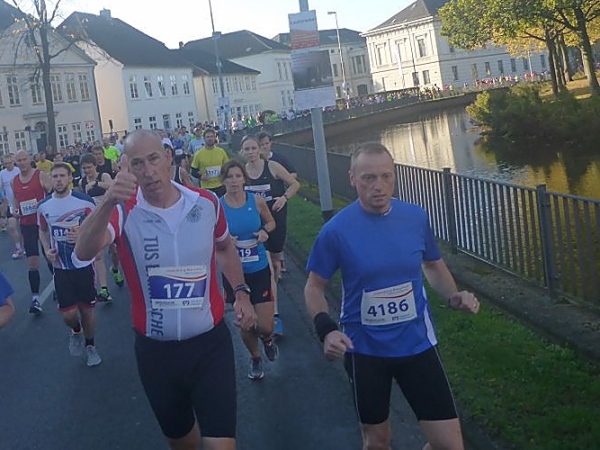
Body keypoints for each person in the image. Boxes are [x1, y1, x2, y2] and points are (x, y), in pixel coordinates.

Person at [74, 129, 257, 450]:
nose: (148, 171)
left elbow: (225, 247)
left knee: (220, 444)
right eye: (138, 164)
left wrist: (241, 292)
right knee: (182, 442)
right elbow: (84, 251)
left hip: (209, 345)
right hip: (157, 354)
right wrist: (108, 201)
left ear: (169, 158)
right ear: (127, 168)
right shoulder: (123, 210)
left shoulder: (205, 202)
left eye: (154, 159)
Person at [304, 142, 480, 450]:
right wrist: (326, 329)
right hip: (366, 351)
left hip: (417, 344)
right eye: (368, 178)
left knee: (450, 445)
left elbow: (432, 264)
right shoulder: (336, 231)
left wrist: (453, 296)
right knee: (377, 442)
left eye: (386, 176)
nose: (379, 186)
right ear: (352, 179)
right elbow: (314, 286)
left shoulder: (415, 217)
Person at [220, 160, 279, 380]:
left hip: (259, 268)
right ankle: (255, 357)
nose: (234, 181)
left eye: (238, 176)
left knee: (265, 325)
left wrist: (264, 232)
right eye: (229, 177)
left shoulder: (256, 201)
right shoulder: (218, 206)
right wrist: (225, 240)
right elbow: (211, 236)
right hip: (234, 274)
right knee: (246, 324)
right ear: (223, 180)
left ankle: (267, 339)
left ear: (244, 179)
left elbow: (271, 222)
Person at [37, 163, 101, 366]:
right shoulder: (44, 206)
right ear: (50, 179)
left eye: (62, 176)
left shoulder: (84, 202)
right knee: (69, 315)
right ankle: (75, 330)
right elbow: (43, 231)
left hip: (83, 264)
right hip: (61, 268)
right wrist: (46, 249)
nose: (58, 180)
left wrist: (83, 235)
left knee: (87, 311)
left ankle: (91, 346)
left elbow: (98, 228)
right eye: (55, 176)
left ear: (70, 178)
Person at [242, 135, 299, 337]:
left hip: (276, 222)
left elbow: (294, 184)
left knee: (274, 264)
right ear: (242, 152)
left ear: (260, 150)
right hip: (258, 228)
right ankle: (274, 315)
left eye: (253, 148)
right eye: (247, 149)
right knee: (266, 268)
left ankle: (271, 292)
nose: (250, 152)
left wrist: (284, 198)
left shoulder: (272, 167)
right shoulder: (243, 173)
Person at [12, 150, 53, 314]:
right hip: (27, 225)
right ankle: (35, 299)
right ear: (16, 163)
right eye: (19, 160)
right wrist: (15, 210)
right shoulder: (15, 180)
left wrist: (44, 206)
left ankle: (59, 283)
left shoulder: (40, 175)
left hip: (42, 223)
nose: (22, 163)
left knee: (49, 256)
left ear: (29, 159)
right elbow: (16, 199)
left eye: (24, 159)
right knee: (32, 262)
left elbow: (52, 193)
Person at [257, 131, 297, 276]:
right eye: (261, 145)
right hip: (259, 212)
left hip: (276, 206)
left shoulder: (277, 160)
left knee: (278, 236)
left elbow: (293, 175)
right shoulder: (250, 167)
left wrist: (280, 177)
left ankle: (279, 260)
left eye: (266, 144)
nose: (264, 147)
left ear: (270, 143)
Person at [79, 153, 115, 302]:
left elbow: (113, 187)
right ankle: (104, 289)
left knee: (114, 250)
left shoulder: (103, 176)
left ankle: (116, 269)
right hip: (95, 220)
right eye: (84, 168)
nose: (87, 171)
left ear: (95, 166)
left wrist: (96, 184)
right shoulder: (82, 182)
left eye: (89, 167)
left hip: (110, 217)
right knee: (98, 255)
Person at [92, 143, 125, 289]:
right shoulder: (92, 169)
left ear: (103, 153)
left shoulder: (110, 164)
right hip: (100, 209)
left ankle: (115, 268)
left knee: (116, 249)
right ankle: (104, 285)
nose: (98, 156)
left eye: (99, 154)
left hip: (114, 203)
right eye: (95, 154)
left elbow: (119, 175)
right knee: (108, 248)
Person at [190, 128, 229, 197]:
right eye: (208, 137)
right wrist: (201, 176)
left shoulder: (221, 151)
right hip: (206, 187)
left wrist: (224, 174)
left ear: (215, 138)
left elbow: (228, 166)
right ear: (204, 139)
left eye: (212, 136)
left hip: (220, 185)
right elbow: (193, 171)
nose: (210, 139)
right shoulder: (198, 154)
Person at [0, 153, 22, 257]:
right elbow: (1, 190)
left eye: (9, 163)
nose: (8, 165)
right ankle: (18, 248)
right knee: (12, 227)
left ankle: (26, 246)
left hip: (21, 202)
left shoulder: (18, 171)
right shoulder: (2, 174)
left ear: (13, 162)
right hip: (10, 203)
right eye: (6, 164)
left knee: (24, 227)